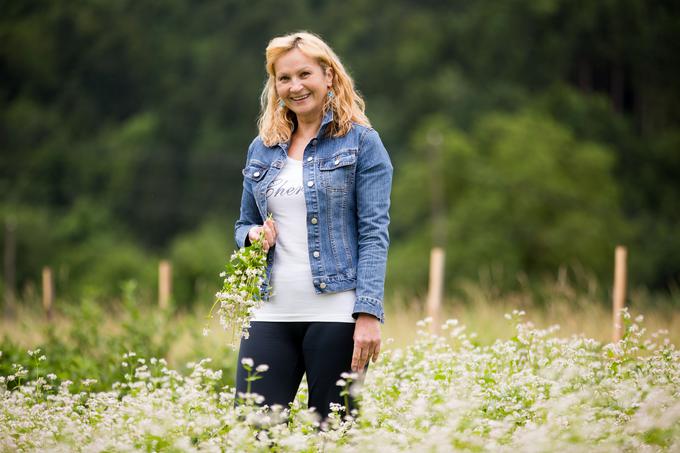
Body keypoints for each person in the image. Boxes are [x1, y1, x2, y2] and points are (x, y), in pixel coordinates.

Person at [234, 31, 392, 421]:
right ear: (275, 85)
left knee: (333, 433)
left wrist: (368, 314)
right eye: (284, 78)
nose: (295, 86)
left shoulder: (362, 143)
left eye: (304, 74)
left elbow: (374, 233)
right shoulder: (262, 147)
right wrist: (252, 236)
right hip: (269, 311)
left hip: (337, 313)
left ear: (329, 77)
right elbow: (243, 223)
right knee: (253, 431)